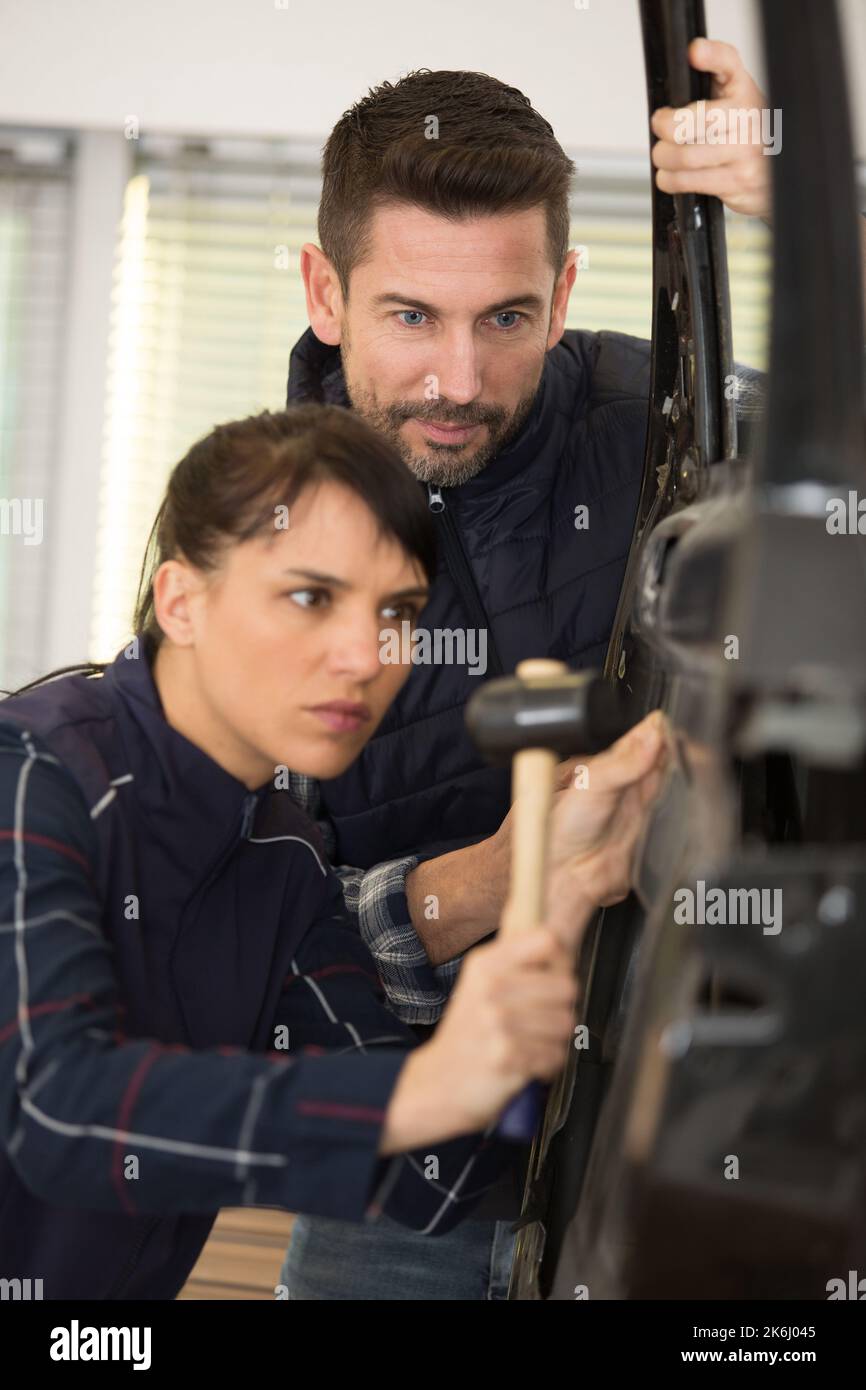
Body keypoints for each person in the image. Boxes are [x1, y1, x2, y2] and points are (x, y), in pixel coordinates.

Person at [279, 38, 776, 1298]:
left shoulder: (684, 427)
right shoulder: (241, 546)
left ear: (559, 293)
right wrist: (510, 873)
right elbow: (230, 937)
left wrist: (819, 218)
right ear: (323, 294)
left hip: (688, 1168)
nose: (458, 379)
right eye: (408, 316)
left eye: (504, 318)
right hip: (396, 1203)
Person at [0, 404, 666, 1300]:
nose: (366, 655)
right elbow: (58, 1115)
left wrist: (558, 896)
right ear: (182, 600)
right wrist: (424, 1091)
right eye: (312, 597)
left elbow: (438, 1186)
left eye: (398, 611)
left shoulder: (283, 855)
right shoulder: (32, 768)